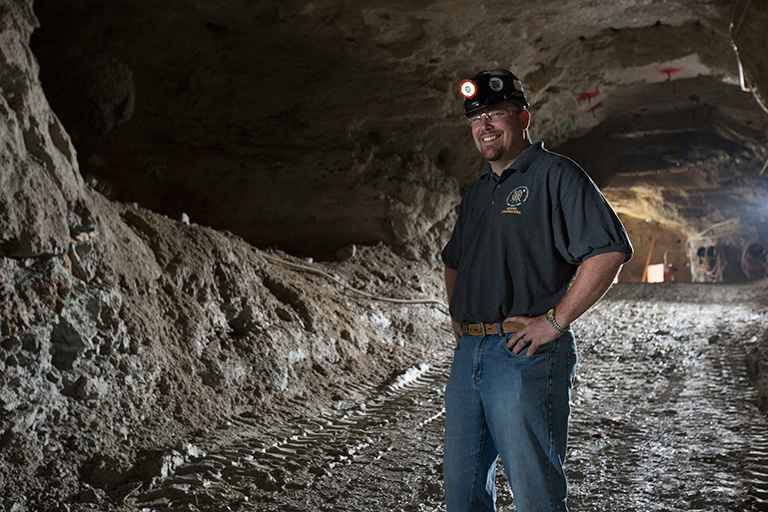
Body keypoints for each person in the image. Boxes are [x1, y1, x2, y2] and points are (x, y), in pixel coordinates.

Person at [441, 69, 633, 512]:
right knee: (462, 495)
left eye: (496, 114)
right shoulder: (479, 192)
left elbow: (608, 252)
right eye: (475, 119)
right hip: (471, 352)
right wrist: (461, 323)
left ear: (523, 117)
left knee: (534, 496)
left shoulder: (556, 176)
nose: (484, 126)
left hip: (523, 356)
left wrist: (555, 322)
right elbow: (453, 261)